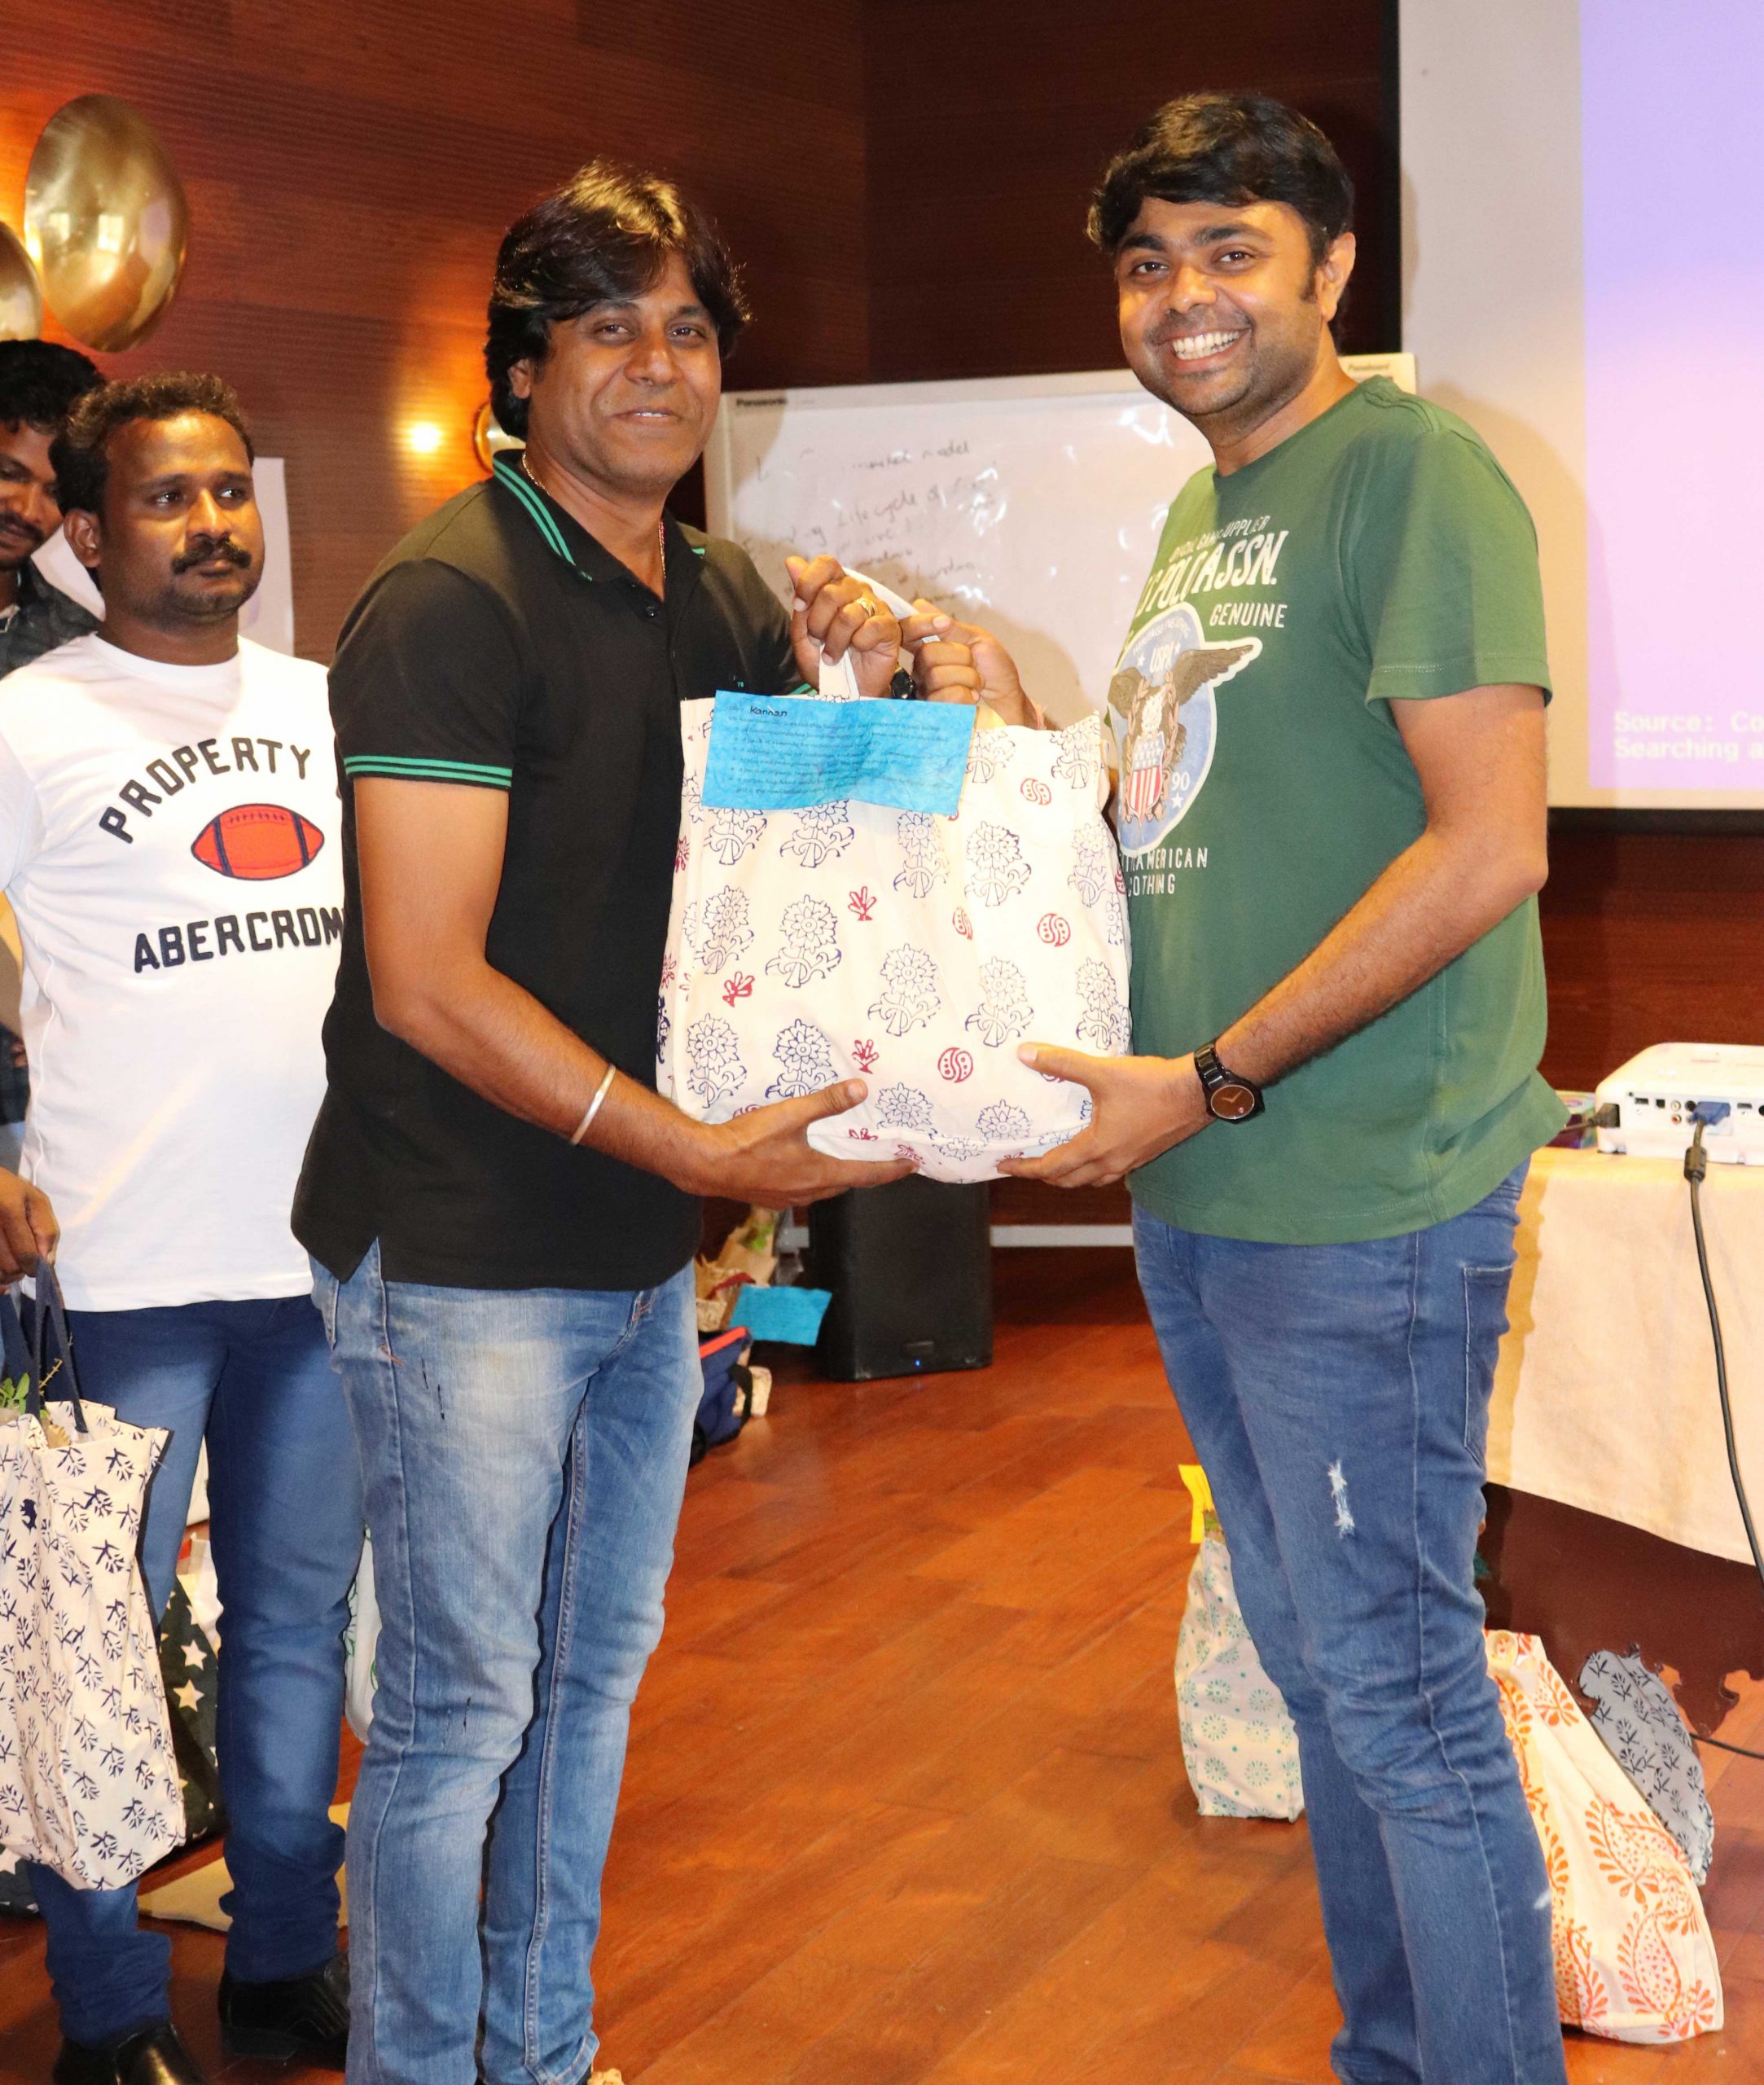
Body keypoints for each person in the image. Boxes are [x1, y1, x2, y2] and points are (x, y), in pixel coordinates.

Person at [292, 163, 920, 2085]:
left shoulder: (720, 592)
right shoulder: (447, 597)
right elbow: (427, 981)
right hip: (463, 1245)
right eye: (607, 326)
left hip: (637, 1245)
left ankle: (543, 2050)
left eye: (689, 327)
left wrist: (871, 681)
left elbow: (813, 866)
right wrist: (698, 1159)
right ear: (521, 368)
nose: (658, 364)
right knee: (455, 1715)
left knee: (584, 1682)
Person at [987, 92, 1569, 2085]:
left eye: (1230, 250)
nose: (1181, 296)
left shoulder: (1409, 472)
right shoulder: (1203, 514)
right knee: (1327, 1681)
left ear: (1332, 270)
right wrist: (1005, 722)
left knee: (1396, 1693)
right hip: (1212, 1184)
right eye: (1147, 262)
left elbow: (1486, 847)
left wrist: (1211, 1078)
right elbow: (1177, 809)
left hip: (1354, 1188)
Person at [0, 373, 362, 2085]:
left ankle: (286, 1953)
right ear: (86, 532)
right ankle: (107, 2010)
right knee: (99, 1654)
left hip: (322, 1261)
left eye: (229, 490)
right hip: (120, 1274)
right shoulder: (29, 720)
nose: (213, 524)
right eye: (166, 497)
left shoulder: (328, 703)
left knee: (296, 1631)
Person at [0, 340, 103, 1152]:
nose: (28, 510)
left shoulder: (76, 638)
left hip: (36, 1076)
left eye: (52, 489)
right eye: (8, 473)